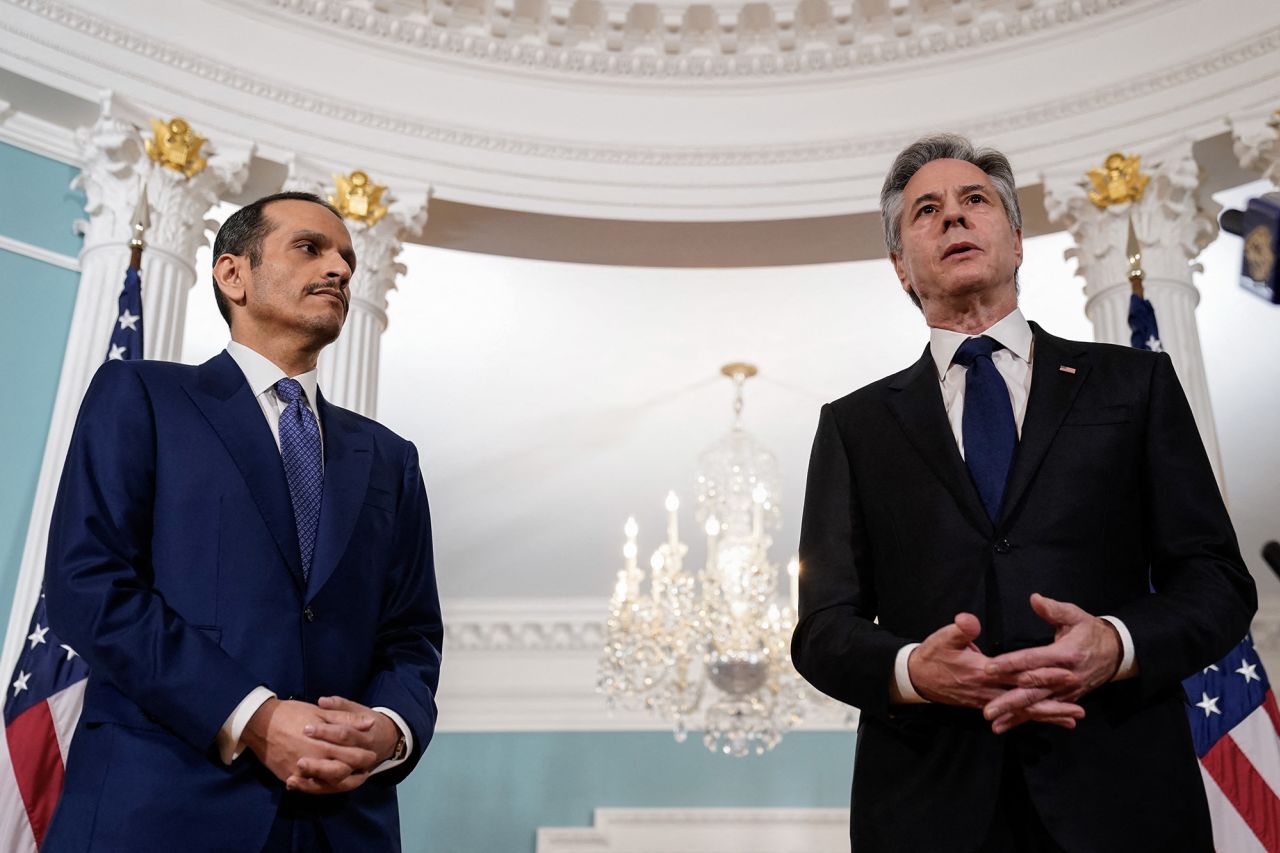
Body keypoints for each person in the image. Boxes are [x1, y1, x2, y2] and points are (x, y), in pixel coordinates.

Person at [790, 134, 1256, 853]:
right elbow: (822, 629)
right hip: (929, 807)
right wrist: (914, 669)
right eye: (927, 210)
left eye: (975, 200)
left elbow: (1218, 581)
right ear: (899, 267)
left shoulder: (1133, 386)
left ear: (1015, 239)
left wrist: (1118, 643)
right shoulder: (853, 427)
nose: (954, 218)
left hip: (1123, 795)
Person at [42, 192, 443, 852]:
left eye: (348, 257)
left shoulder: (390, 459)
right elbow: (90, 587)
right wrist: (252, 713)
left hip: (342, 826)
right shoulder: (142, 397)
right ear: (233, 274)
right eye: (311, 248)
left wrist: (390, 727)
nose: (340, 268)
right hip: (160, 811)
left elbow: (411, 634)